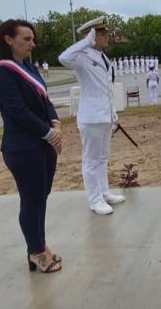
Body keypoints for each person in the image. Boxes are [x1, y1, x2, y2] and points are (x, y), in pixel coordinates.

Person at [0, 19, 63, 274]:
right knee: (31, 200)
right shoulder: (3, 72)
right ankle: (36, 252)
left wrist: (55, 122)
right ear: (9, 40)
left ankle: (39, 246)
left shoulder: (29, 68)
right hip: (22, 146)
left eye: (33, 39)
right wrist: (48, 133)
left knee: (40, 198)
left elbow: (46, 100)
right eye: (26, 39)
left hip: (43, 143)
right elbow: (17, 111)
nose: (32, 43)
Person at [58, 16, 126, 215]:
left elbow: (106, 89)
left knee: (103, 157)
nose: (106, 37)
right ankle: (94, 199)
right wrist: (85, 42)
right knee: (91, 159)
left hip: (104, 116)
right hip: (91, 117)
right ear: (92, 35)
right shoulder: (82, 56)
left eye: (105, 33)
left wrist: (113, 112)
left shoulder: (104, 58)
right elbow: (63, 58)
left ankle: (104, 192)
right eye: (102, 34)